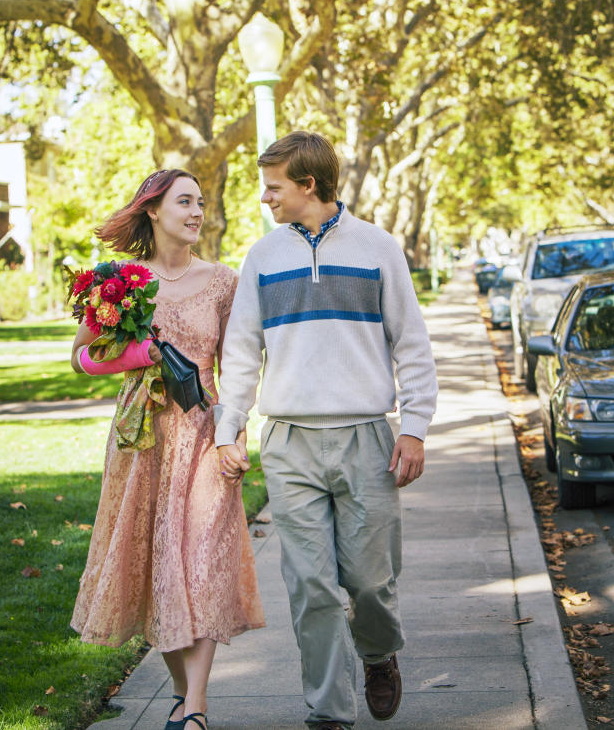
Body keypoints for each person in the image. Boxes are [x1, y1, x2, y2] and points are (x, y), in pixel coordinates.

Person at [215, 131, 438, 729]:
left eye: (274, 186)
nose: (265, 197)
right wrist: (228, 429)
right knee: (311, 586)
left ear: (307, 185)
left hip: (367, 436)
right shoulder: (262, 257)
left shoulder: (378, 248)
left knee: (370, 582)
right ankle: (328, 713)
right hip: (289, 441)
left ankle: (379, 654)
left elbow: (411, 344)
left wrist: (413, 428)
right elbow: (240, 351)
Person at [69, 169, 264, 730]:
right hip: (143, 438)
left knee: (201, 561)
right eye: (185, 202)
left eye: (201, 202)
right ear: (153, 210)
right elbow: (80, 358)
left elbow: (239, 368)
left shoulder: (224, 282)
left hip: (203, 432)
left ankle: (196, 707)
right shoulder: (122, 283)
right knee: (158, 566)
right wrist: (137, 357)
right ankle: (183, 696)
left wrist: (236, 436)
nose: (197, 211)